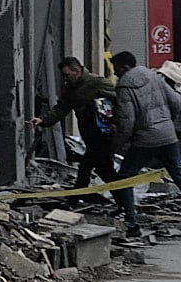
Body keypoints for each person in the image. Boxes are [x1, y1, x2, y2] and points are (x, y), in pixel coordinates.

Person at [107, 49, 181, 237]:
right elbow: (176, 101)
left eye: (116, 68)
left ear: (124, 66)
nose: (115, 73)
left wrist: (116, 146)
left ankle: (132, 224)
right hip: (168, 135)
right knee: (180, 176)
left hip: (145, 139)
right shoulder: (154, 75)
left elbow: (127, 122)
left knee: (125, 177)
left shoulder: (124, 85)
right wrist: (168, 121)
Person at [31, 55, 118, 188]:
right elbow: (61, 108)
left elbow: (120, 103)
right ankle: (121, 199)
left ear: (76, 71)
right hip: (90, 135)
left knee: (90, 167)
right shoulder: (71, 88)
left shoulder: (98, 83)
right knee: (100, 168)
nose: (65, 79)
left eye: (67, 75)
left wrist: (115, 123)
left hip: (102, 135)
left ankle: (79, 197)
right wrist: (43, 120)